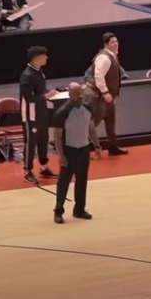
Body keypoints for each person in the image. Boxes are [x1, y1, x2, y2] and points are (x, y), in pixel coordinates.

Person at [53, 82, 94, 224]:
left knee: (82, 181)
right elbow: (57, 136)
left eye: (80, 92)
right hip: (69, 150)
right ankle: (58, 211)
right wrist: (61, 155)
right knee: (63, 182)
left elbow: (90, 127)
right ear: (70, 94)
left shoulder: (88, 107)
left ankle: (79, 209)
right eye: (76, 93)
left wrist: (97, 145)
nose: (79, 95)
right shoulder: (62, 112)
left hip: (84, 149)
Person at [19, 46, 58, 184]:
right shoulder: (26, 76)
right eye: (44, 55)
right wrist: (46, 95)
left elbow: (40, 89)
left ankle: (43, 166)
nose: (47, 58)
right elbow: (29, 97)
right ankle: (27, 171)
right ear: (36, 57)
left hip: (41, 112)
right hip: (30, 115)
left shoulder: (39, 71)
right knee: (30, 143)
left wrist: (50, 92)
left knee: (43, 140)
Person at [85, 32, 128, 157]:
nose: (116, 44)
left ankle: (113, 147)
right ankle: (81, 147)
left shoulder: (113, 56)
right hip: (99, 97)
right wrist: (105, 92)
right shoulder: (103, 58)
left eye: (117, 42)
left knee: (110, 123)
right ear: (106, 44)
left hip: (108, 97)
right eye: (112, 42)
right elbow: (98, 76)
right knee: (93, 123)